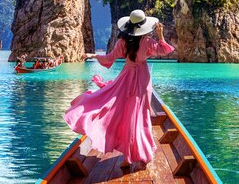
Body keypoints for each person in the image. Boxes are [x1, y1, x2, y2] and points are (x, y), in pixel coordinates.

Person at [63, 9, 175, 170]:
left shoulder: (122, 43)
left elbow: (109, 58)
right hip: (142, 81)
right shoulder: (148, 42)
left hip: (125, 78)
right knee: (139, 117)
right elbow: (164, 50)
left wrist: (92, 55)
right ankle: (135, 155)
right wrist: (161, 34)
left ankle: (127, 157)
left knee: (121, 113)